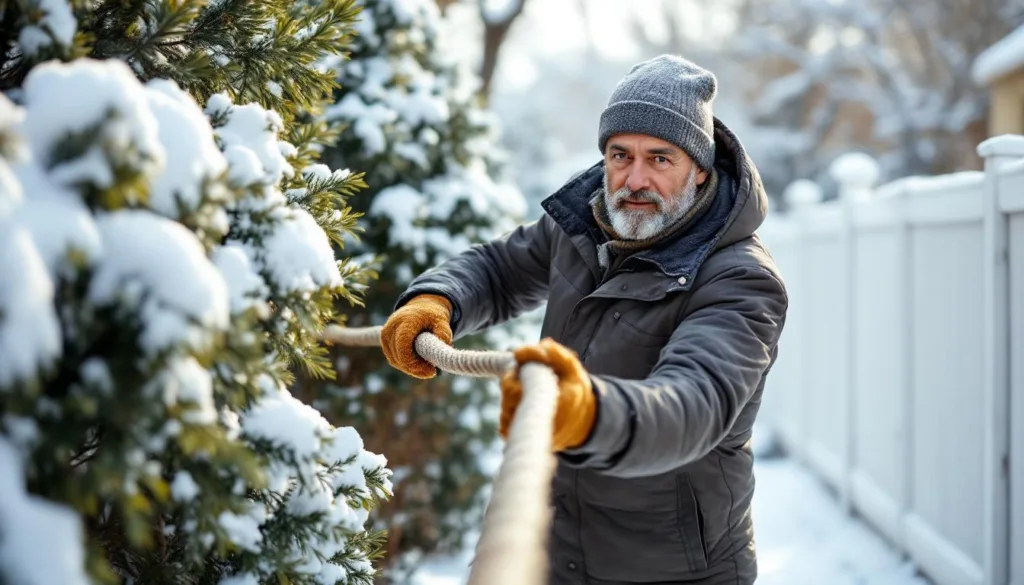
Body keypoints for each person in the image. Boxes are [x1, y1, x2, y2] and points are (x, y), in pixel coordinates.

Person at [379, 54, 788, 585]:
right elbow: (501, 269)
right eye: (621, 155)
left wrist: (587, 413)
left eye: (660, 159)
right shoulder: (586, 224)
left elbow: (694, 403)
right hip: (552, 547)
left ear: (700, 170)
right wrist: (437, 300)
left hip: (671, 570)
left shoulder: (740, 280)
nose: (634, 179)